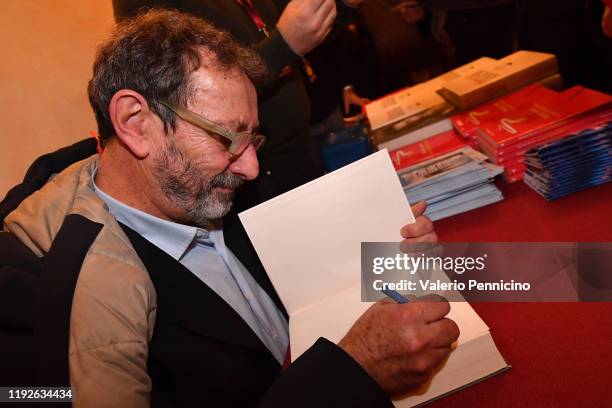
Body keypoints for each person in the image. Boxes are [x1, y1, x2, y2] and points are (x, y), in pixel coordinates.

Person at [2, 10, 458, 407]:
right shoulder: (58, 301)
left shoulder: (198, 190)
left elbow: (304, 293)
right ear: (135, 124)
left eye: (253, 137)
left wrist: (391, 264)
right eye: (229, 138)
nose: (253, 168)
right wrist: (355, 371)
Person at [113, 0, 353, 210]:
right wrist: (282, 46)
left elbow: (306, 27)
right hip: (251, 177)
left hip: (302, 149)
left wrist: (342, 7)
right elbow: (160, 86)